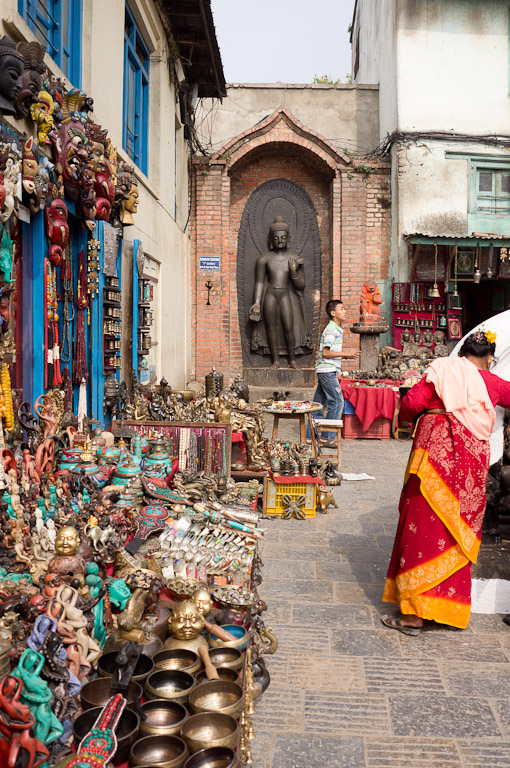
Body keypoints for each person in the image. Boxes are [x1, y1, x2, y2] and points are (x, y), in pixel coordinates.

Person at [381, 330, 510, 634]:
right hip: (469, 469)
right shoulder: (491, 382)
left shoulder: (440, 369)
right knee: (456, 531)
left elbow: (412, 404)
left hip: (434, 460)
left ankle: (413, 614)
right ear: (489, 358)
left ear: (462, 352)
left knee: (421, 525)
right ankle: (445, 609)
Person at [309, 299, 358, 446]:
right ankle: (327, 438)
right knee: (337, 401)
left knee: (318, 405)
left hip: (326, 370)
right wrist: (347, 354)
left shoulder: (335, 329)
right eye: (342, 309)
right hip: (327, 371)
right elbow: (325, 352)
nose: (345, 311)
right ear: (333, 313)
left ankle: (309, 437)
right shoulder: (331, 329)